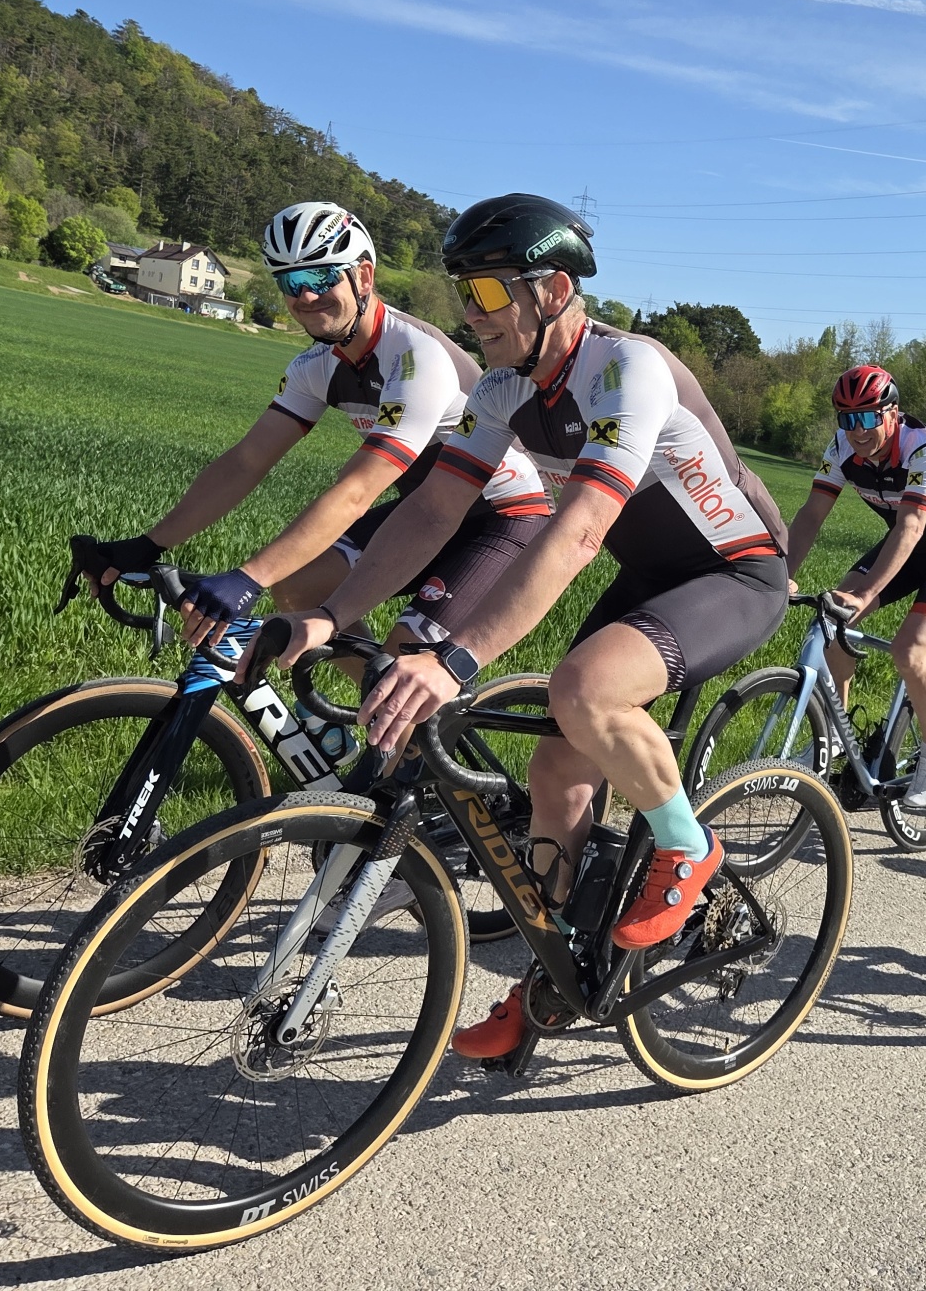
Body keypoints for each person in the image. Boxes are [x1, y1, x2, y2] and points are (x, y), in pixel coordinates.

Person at [259, 192, 790, 1060]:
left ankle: (687, 847)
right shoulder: (504, 388)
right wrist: (327, 615)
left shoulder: (626, 370)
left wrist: (453, 660)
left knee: (585, 691)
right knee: (555, 770)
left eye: (487, 293)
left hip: (733, 573)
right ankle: (554, 972)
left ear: (553, 290)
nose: (471, 315)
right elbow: (432, 511)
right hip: (652, 577)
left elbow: (577, 533)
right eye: (463, 293)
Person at [80, 201, 550, 717]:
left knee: (402, 669)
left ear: (363, 276)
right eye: (290, 281)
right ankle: (391, 722)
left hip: (504, 517)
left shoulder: (417, 356)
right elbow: (246, 461)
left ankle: (406, 735)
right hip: (426, 512)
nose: (305, 295)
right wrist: (148, 544)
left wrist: (248, 578)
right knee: (299, 587)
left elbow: (358, 491)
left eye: (321, 276)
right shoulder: (316, 365)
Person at [784, 366, 926, 806]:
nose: (856, 431)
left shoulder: (924, 449)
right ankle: (835, 734)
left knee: (909, 652)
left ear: (892, 413)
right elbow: (811, 514)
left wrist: (865, 594)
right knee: (832, 624)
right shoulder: (841, 447)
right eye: (846, 419)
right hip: (905, 546)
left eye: (866, 417)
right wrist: (783, 572)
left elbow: (912, 525)